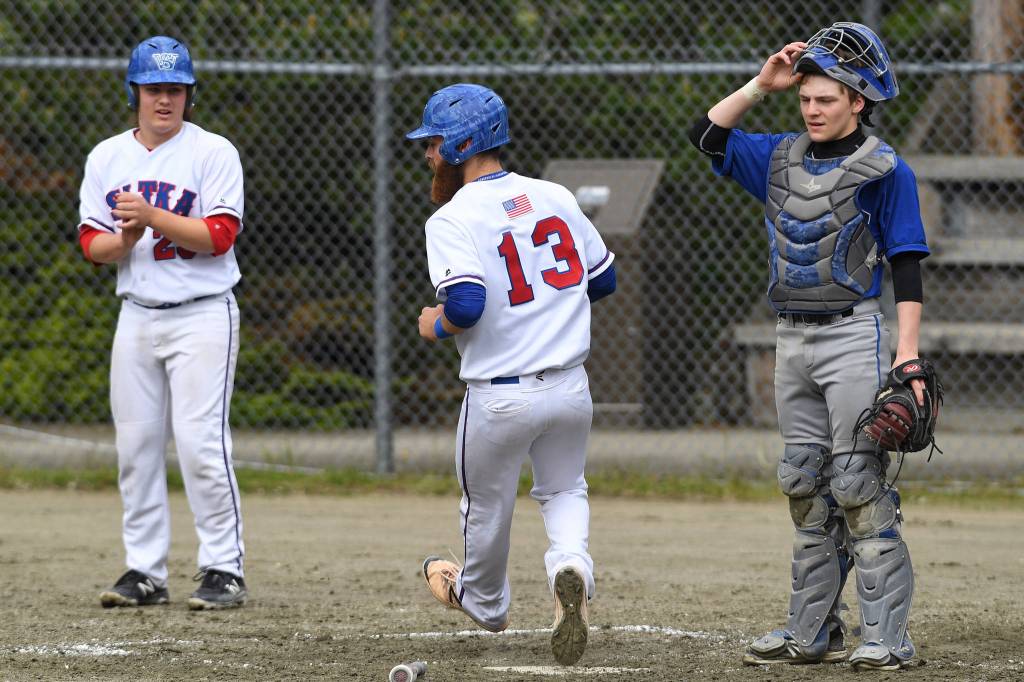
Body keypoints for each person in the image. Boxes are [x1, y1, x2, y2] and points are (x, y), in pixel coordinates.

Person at [688, 23, 930, 671]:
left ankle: (887, 637)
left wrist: (907, 357)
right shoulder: (777, 156)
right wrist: (761, 85)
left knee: (856, 482)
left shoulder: (885, 168)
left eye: (826, 99)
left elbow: (907, 263)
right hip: (790, 337)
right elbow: (707, 135)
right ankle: (813, 630)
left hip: (853, 334)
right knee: (803, 483)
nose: (813, 110)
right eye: (806, 99)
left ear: (858, 100)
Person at [406, 83, 617, 666]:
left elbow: (467, 304)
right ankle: (570, 566)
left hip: (499, 394)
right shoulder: (554, 194)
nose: (428, 155)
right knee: (565, 490)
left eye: (434, 143)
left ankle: (487, 604)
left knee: (486, 508)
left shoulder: (451, 218)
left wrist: (434, 326)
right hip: (570, 385)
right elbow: (602, 281)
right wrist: (547, 309)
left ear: (463, 144)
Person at [77, 36, 248, 610]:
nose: (165, 100)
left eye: (175, 89)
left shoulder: (213, 152)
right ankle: (145, 570)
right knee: (137, 446)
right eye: (155, 89)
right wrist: (124, 238)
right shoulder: (106, 157)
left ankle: (223, 567)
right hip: (137, 315)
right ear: (136, 93)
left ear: (189, 95)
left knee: (201, 446)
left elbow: (220, 235)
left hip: (203, 313)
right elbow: (91, 245)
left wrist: (153, 217)